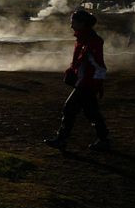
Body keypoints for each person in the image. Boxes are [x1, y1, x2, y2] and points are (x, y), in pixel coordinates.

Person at [44, 9, 110, 152]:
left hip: (87, 83)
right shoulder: (83, 39)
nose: (71, 26)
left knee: (69, 108)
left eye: (73, 22)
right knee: (91, 111)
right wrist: (72, 70)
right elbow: (81, 62)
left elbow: (99, 65)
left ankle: (62, 139)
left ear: (82, 23)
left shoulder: (92, 41)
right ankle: (104, 139)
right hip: (86, 82)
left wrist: (97, 83)